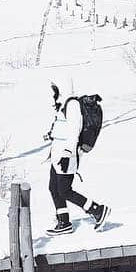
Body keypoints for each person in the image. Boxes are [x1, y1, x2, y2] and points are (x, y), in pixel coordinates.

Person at [45, 85, 110, 236]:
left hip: (66, 155)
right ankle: (64, 222)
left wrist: (67, 154)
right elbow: (64, 129)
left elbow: (75, 131)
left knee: (64, 191)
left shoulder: (72, 105)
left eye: (55, 91)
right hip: (57, 154)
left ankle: (97, 210)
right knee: (54, 188)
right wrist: (51, 134)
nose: (53, 95)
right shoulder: (63, 105)